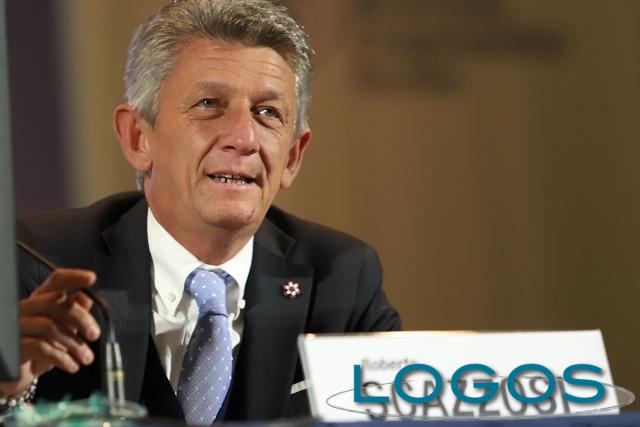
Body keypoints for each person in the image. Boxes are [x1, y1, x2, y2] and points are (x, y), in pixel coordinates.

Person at [1, 0, 401, 422]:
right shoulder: (35, 263)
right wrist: (6, 387)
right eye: (209, 104)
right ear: (137, 137)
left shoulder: (341, 279)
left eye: (267, 113)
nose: (243, 138)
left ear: (293, 156)